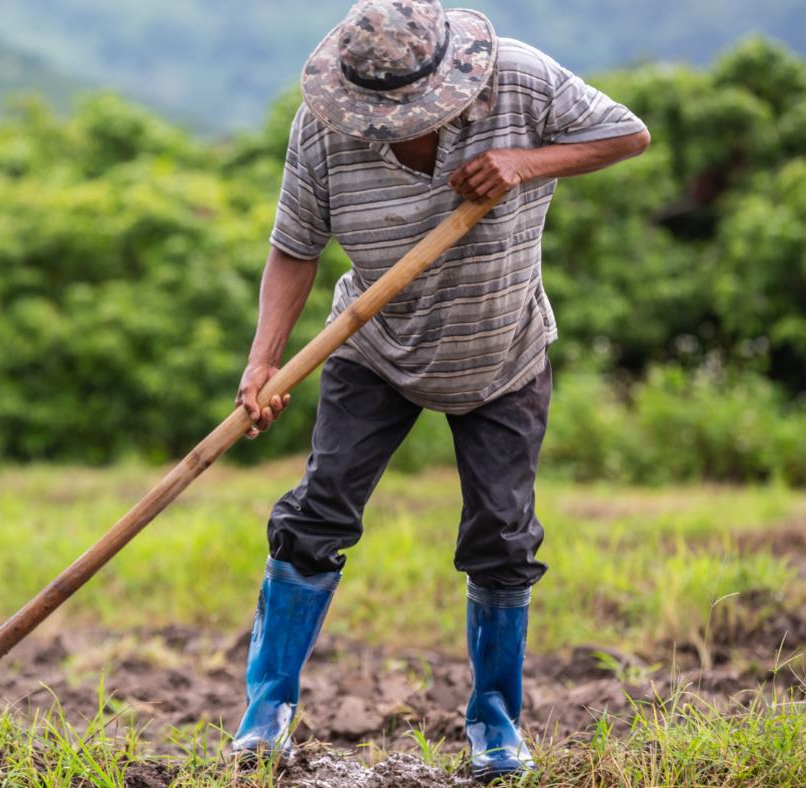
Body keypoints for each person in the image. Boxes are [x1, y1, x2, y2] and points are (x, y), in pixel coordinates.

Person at [229, 0, 651, 780]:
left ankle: (495, 726)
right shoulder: (323, 128)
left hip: (503, 349)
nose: (390, 124)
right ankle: (265, 718)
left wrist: (526, 163)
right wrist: (264, 362)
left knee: (501, 535)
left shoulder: (520, 79)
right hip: (374, 345)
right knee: (317, 515)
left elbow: (628, 134)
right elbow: (295, 249)